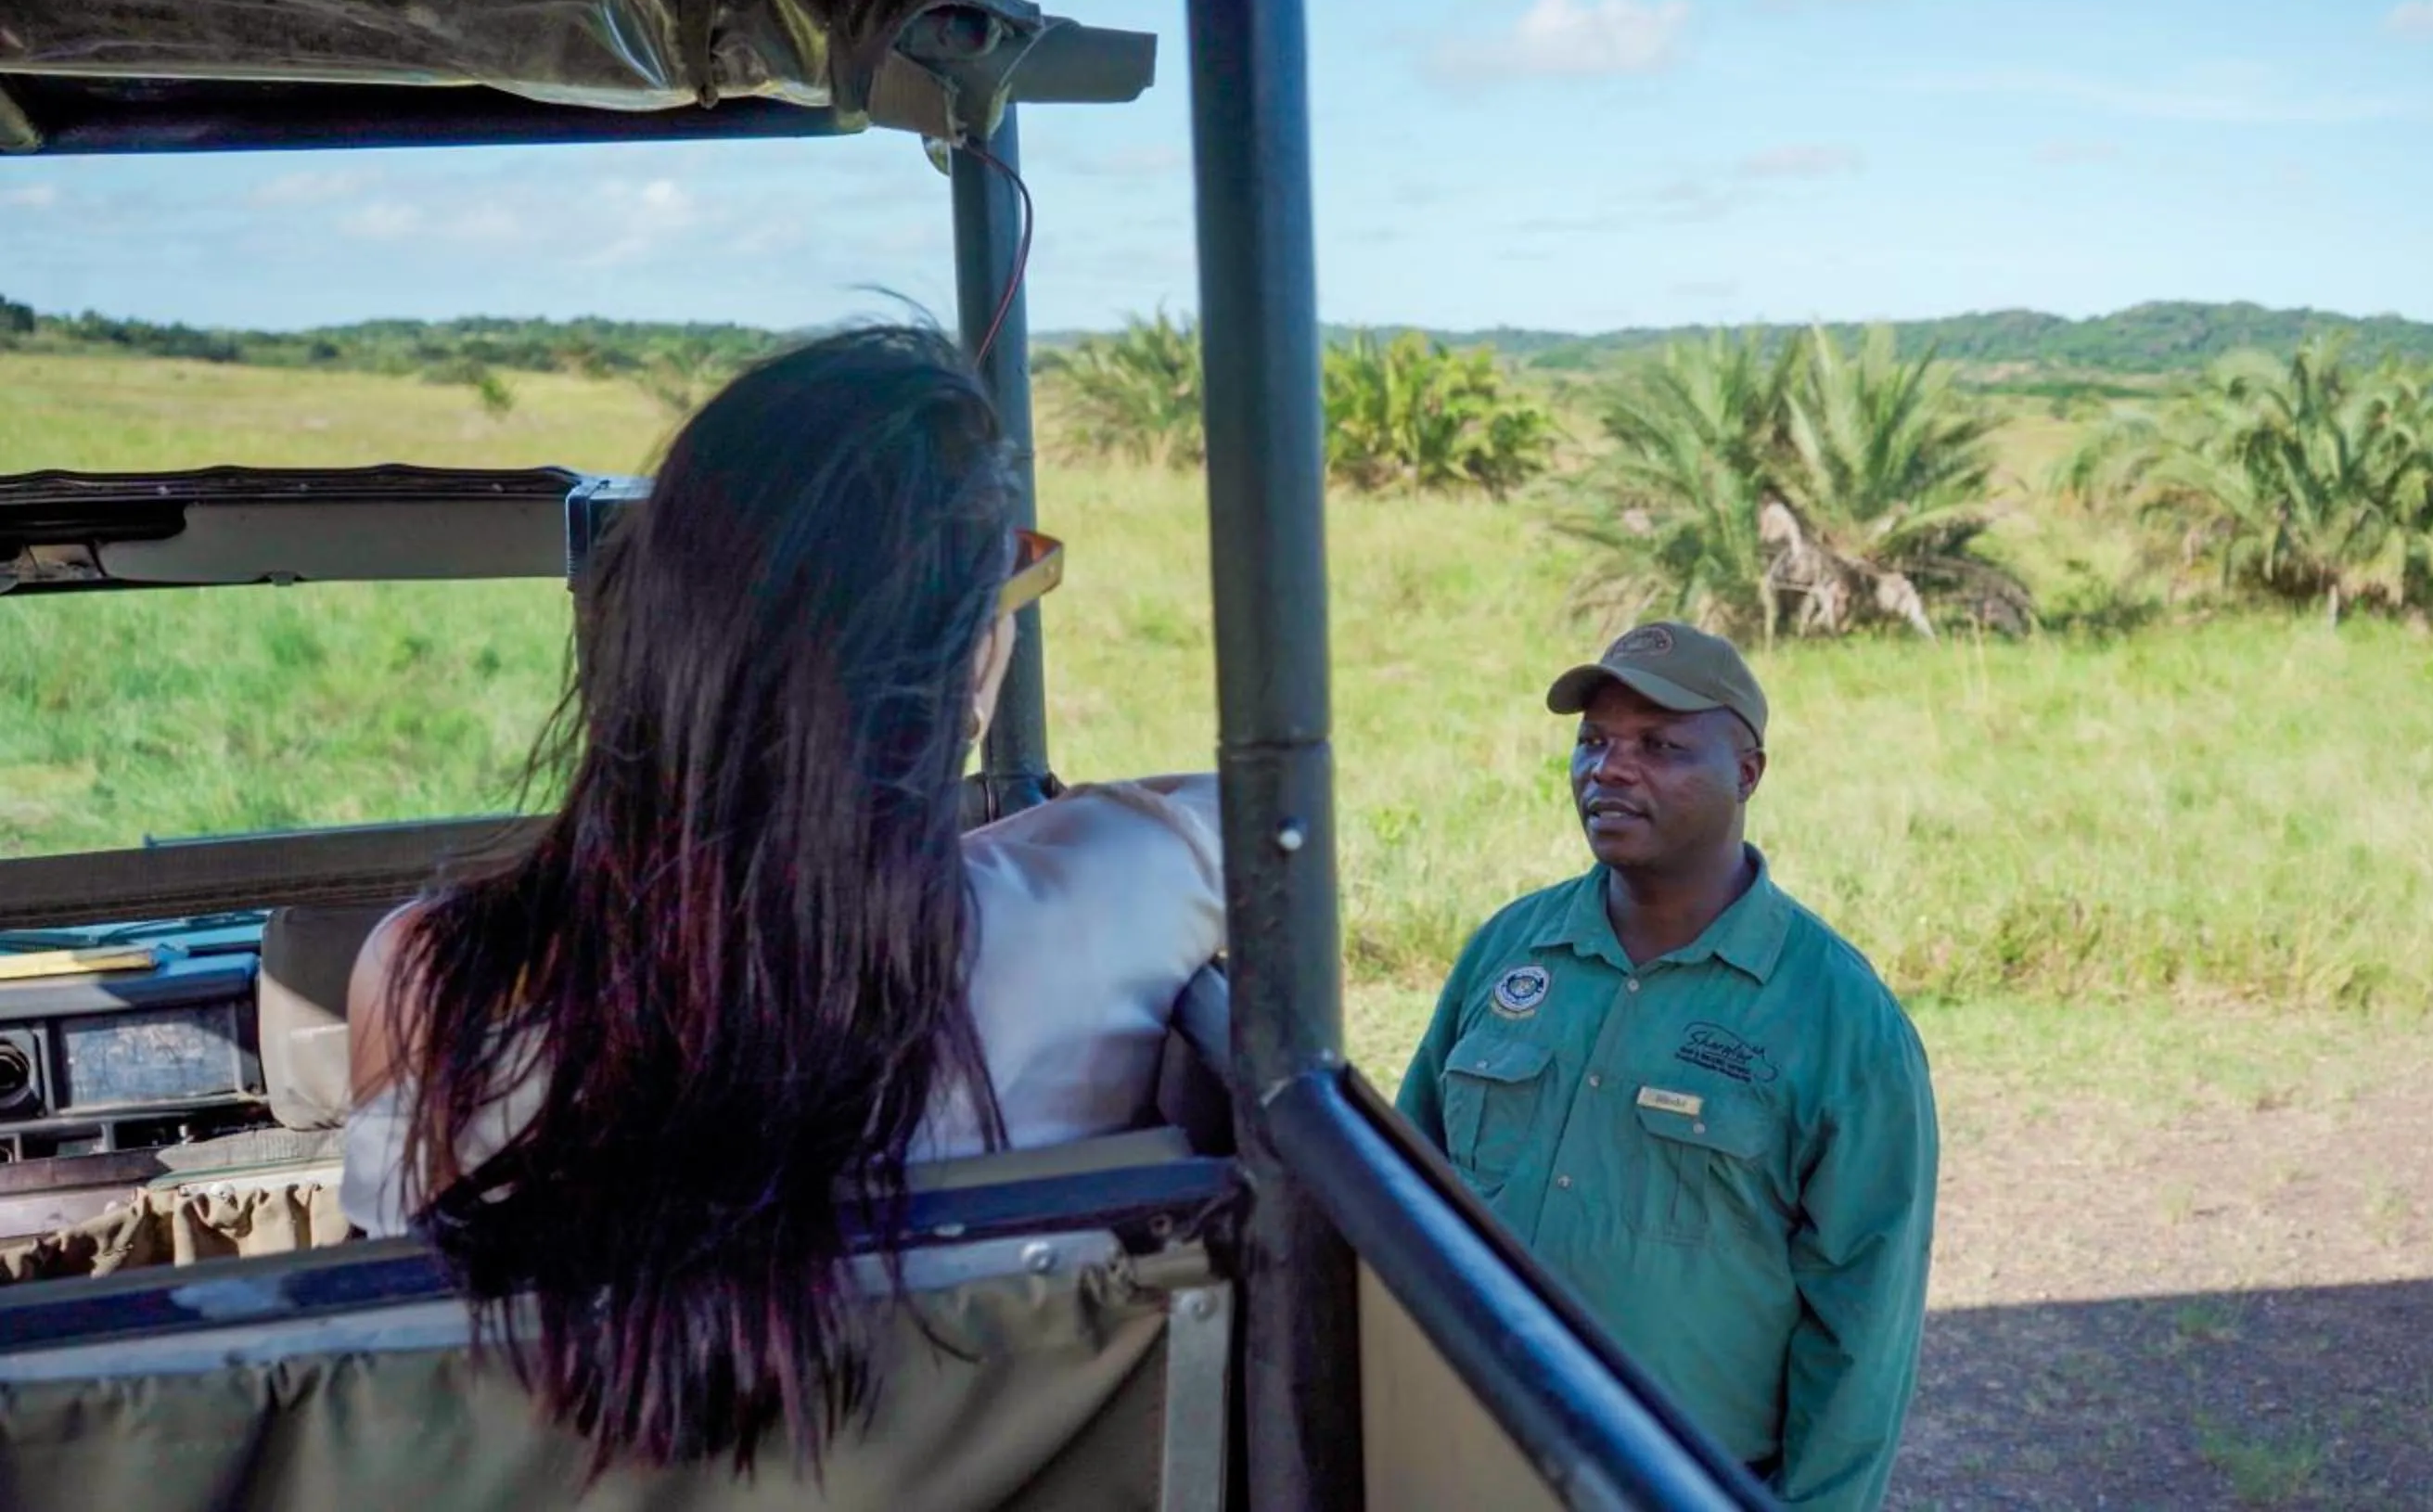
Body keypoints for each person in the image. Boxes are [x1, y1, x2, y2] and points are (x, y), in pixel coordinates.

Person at [338, 325, 1223, 1474]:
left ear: (647, 633)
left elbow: (390, 1397)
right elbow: (1246, 816)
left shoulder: (428, 974)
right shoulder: (1135, 890)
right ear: (968, 671)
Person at [1394, 621, 1938, 1510]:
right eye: (1594, 742)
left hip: (1680, 1487)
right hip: (1466, 1456)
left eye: (1661, 746)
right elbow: (1407, 1197)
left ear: (1747, 774)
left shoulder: (1840, 1021)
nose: (1609, 769)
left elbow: (1865, 1328)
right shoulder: (1510, 948)